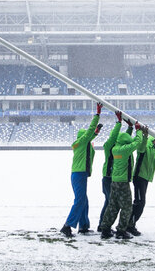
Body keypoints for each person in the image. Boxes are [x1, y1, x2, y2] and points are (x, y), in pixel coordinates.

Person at [60, 103, 103, 238]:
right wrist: (97, 114)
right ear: (84, 137)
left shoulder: (80, 143)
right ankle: (67, 226)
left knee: (83, 200)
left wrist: (95, 133)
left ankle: (83, 226)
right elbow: (89, 132)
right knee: (80, 200)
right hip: (79, 174)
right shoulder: (83, 142)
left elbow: (90, 134)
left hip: (78, 174)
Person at [99, 123, 146, 240]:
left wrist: (131, 129)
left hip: (114, 181)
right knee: (127, 207)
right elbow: (136, 143)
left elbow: (130, 141)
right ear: (125, 143)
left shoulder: (116, 149)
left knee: (113, 206)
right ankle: (121, 230)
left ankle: (105, 229)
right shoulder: (125, 150)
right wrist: (139, 131)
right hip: (123, 183)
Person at [97, 113, 133, 231]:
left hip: (114, 178)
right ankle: (102, 225)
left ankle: (104, 225)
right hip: (108, 177)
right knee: (110, 203)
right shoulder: (109, 147)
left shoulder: (118, 146)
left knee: (111, 203)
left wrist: (130, 128)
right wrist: (118, 123)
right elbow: (114, 136)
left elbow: (125, 139)